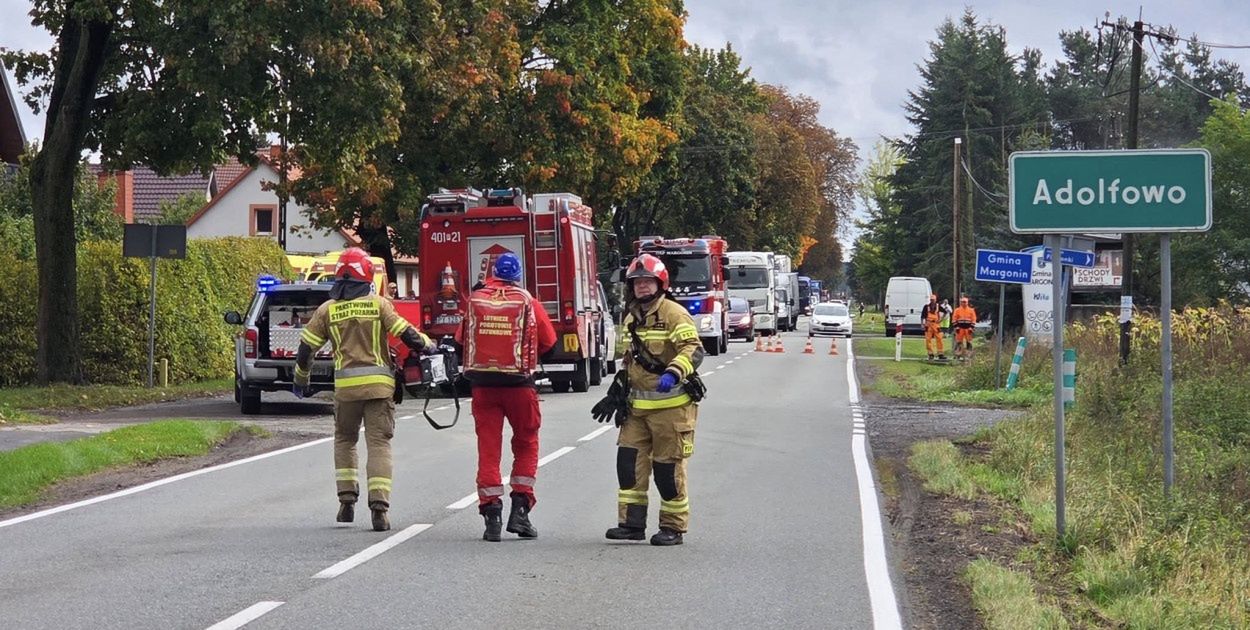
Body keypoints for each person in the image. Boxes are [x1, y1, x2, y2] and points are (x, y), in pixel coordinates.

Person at [294, 247, 432, 532]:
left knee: (345, 441)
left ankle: (346, 501)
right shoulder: (379, 305)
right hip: (379, 389)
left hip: (345, 392)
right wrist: (429, 345)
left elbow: (305, 349)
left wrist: (301, 379)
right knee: (379, 444)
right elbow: (407, 334)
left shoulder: (327, 310)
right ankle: (379, 506)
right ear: (366, 275)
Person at [601, 253, 704, 547]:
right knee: (628, 463)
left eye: (647, 282)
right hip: (636, 410)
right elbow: (630, 359)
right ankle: (631, 525)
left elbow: (693, 350)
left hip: (672, 409)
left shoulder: (674, 313)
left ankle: (673, 527)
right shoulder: (632, 317)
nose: (642, 287)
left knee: (667, 470)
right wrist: (618, 387)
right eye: (637, 283)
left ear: (660, 284)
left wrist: (674, 372)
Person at [459, 252, 557, 542]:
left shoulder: (476, 301)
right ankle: (521, 511)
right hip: (520, 386)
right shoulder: (529, 301)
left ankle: (492, 513)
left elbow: (461, 339)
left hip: (483, 388)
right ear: (517, 275)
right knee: (526, 444)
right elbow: (550, 344)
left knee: (488, 450)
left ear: (490, 273)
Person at [920, 293, 946, 361]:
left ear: (935, 300)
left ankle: (940, 353)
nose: (932, 301)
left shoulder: (938, 306)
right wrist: (922, 324)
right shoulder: (926, 307)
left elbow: (945, 312)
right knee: (928, 339)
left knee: (939, 338)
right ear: (930, 300)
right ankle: (930, 354)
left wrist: (941, 320)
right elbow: (922, 316)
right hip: (928, 325)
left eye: (933, 300)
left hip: (936, 324)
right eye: (931, 300)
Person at [952, 296, 978, 360]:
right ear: (960, 303)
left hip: (968, 328)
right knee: (958, 342)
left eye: (965, 302)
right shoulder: (957, 310)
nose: (963, 303)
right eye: (962, 302)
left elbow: (974, 319)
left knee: (969, 342)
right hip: (960, 328)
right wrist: (956, 327)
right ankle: (957, 355)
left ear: (967, 303)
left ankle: (969, 355)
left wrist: (971, 327)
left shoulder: (971, 310)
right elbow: (954, 318)